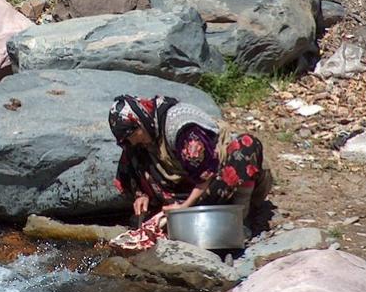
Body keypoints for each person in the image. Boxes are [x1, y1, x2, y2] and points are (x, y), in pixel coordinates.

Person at [108, 94, 271, 228]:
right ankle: (176, 215)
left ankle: (241, 218)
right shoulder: (144, 136)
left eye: (131, 136)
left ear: (140, 123)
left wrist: (184, 209)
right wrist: (141, 194)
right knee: (131, 156)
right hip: (185, 188)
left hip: (213, 180)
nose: (132, 142)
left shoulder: (182, 130)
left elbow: (205, 176)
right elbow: (131, 168)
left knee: (245, 148)